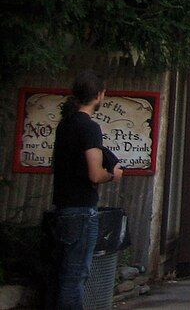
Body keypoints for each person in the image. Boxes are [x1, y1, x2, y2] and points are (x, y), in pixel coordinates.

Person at [50, 71, 123, 310]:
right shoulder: (89, 127)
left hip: (63, 205)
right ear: (99, 95)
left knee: (63, 273)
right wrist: (112, 174)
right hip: (82, 209)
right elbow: (94, 173)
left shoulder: (65, 124)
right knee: (76, 276)